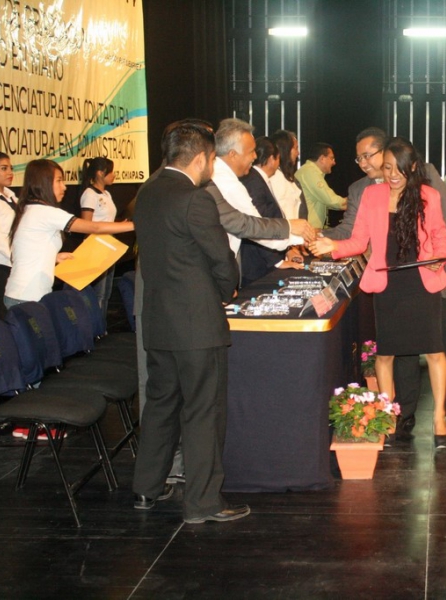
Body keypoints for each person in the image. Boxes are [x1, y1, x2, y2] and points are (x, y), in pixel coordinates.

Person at [132, 120, 250, 524]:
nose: (211, 168)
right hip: (197, 325)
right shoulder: (195, 199)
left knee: (160, 405)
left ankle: (146, 488)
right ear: (201, 158)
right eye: (212, 160)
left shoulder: (146, 193)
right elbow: (221, 259)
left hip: (158, 321)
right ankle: (203, 503)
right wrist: (227, 290)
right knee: (203, 412)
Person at [324, 127, 446, 438]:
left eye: (398, 168)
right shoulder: (370, 195)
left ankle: (440, 416)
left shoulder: (428, 194)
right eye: (387, 167)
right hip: (388, 284)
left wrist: (442, 256)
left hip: (422, 282)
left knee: (436, 350)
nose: (392, 174)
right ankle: (390, 415)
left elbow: (442, 233)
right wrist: (331, 245)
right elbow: (358, 240)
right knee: (387, 354)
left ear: (411, 167)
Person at [4, 160, 133, 307]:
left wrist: (54, 257)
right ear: (43, 183)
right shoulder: (44, 212)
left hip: (26, 294)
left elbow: (28, 250)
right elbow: (94, 227)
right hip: (27, 297)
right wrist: (135, 225)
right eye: (59, 181)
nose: (64, 187)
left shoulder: (32, 209)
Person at [210, 118, 311, 266]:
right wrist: (294, 231)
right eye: (251, 151)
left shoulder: (219, 174)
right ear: (232, 154)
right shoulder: (227, 182)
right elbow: (253, 227)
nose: (255, 156)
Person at [238, 136, 299, 285]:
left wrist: (287, 249)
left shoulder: (259, 178)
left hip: (265, 258)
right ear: (272, 159)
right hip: (257, 264)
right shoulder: (254, 181)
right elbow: (258, 224)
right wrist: (277, 261)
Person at [78, 157, 118, 319]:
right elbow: (86, 224)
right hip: (96, 247)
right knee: (98, 293)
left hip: (109, 246)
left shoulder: (107, 194)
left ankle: (102, 325)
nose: (114, 175)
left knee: (106, 291)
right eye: (111, 172)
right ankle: (96, 326)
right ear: (100, 173)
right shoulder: (89, 194)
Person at [0, 151, 17, 317]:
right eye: (3, 168)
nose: (9, 172)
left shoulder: (11, 196)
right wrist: (17, 258)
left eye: (11, 168)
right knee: (4, 314)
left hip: (14, 262)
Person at [297, 142, 347, 229]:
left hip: (308, 229)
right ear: (322, 159)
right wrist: (354, 202)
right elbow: (330, 200)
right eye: (331, 158)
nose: (334, 162)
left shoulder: (309, 171)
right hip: (306, 230)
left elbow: (327, 201)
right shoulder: (310, 172)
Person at [269, 129, 308, 221]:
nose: (298, 153)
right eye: (295, 148)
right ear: (285, 149)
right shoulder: (275, 177)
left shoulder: (286, 175)